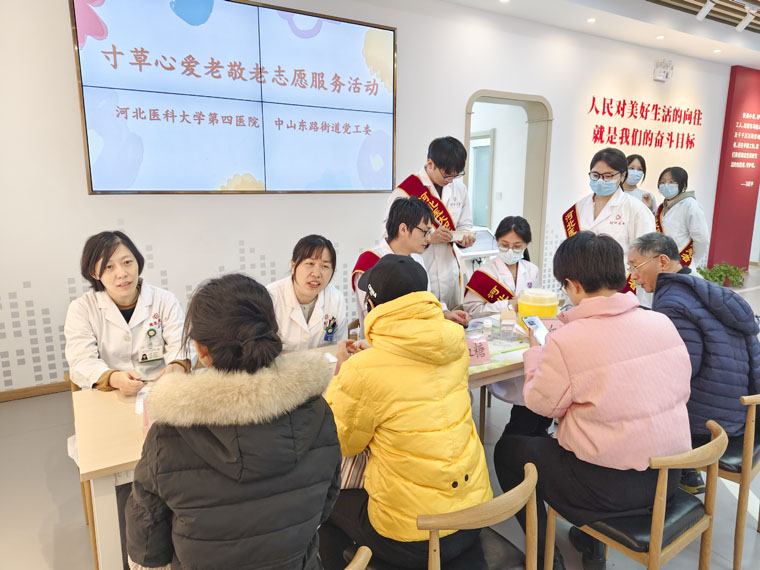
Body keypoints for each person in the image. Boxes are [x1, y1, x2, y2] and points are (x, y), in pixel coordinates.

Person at [494, 231, 692, 570]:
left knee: (508, 450)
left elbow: (541, 404)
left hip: (606, 488)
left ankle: (544, 556)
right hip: (667, 478)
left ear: (572, 285)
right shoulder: (661, 322)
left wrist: (536, 352)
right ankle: (592, 546)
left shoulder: (567, 340)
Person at [125, 274, 341, 570]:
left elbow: (148, 549)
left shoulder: (169, 436)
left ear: (202, 351)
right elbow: (324, 509)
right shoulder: (317, 412)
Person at [322, 255, 492, 569]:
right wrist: (375, 357)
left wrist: (345, 372)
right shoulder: (455, 345)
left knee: (327, 501)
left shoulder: (362, 370)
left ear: (372, 305)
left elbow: (344, 443)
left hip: (413, 536)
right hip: (471, 517)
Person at [628, 232, 760, 494]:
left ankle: (661, 488)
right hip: (741, 408)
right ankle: (688, 475)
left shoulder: (671, 301)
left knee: (634, 409)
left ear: (662, 262)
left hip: (714, 422)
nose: (633, 276)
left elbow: (683, 369)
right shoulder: (700, 288)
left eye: (635, 266)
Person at [65, 231, 194, 394]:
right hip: (108, 392)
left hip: (160, 388)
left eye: (127, 262)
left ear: (137, 262)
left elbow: (181, 344)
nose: (122, 274)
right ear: (94, 273)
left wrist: (177, 366)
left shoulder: (164, 300)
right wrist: (114, 378)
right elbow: (82, 360)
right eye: (109, 267)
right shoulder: (81, 309)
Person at [352, 197, 468, 337]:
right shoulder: (370, 261)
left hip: (416, 336)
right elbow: (373, 314)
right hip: (381, 339)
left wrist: (444, 313)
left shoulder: (417, 259)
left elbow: (425, 299)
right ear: (403, 229)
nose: (428, 238)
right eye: (425, 232)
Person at [381, 136, 475, 309]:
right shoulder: (405, 191)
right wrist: (429, 238)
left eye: (456, 175)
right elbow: (389, 235)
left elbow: (465, 224)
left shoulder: (460, 189)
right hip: (417, 270)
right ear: (430, 164)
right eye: (447, 174)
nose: (451, 180)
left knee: (451, 317)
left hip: (450, 271)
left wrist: (464, 238)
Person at [561, 147, 655, 301]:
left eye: (608, 176)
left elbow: (646, 257)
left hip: (619, 290)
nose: (600, 180)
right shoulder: (578, 208)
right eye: (595, 175)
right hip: (581, 288)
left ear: (622, 176)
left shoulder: (636, 210)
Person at [267, 234, 347, 352]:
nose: (316, 274)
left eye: (325, 266)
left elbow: (339, 347)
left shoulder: (336, 299)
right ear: (293, 266)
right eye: (310, 264)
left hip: (323, 363)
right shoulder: (271, 297)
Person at [463, 215, 540, 318]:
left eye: (517, 246)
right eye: (504, 245)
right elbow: (472, 310)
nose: (510, 251)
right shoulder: (484, 273)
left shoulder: (532, 270)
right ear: (497, 241)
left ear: (526, 245)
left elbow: (536, 302)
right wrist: (508, 304)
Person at [654, 166, 710, 269]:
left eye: (671, 182)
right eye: (662, 182)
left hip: (682, 264)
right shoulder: (662, 208)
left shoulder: (691, 205)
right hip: (662, 264)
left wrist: (693, 260)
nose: (666, 185)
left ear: (683, 185)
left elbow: (702, 239)